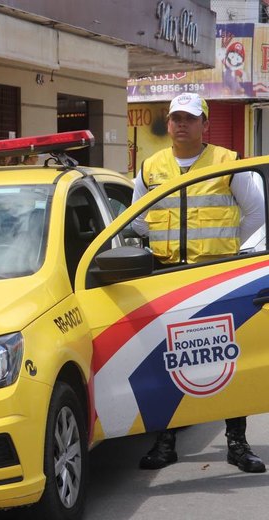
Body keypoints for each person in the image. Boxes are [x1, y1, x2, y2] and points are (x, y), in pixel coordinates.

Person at [131, 93, 265, 473]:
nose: (181, 125)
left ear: (204, 124)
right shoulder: (151, 167)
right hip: (167, 278)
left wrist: (231, 252)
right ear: (168, 123)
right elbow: (136, 218)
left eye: (190, 118)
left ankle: (237, 445)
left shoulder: (226, 161)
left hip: (216, 276)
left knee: (227, 357)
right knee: (169, 361)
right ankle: (166, 442)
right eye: (176, 118)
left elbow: (255, 212)